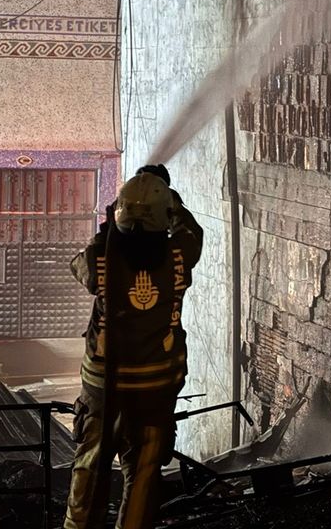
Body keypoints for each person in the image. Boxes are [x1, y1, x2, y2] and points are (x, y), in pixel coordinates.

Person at [63, 164, 203, 529]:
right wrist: (169, 199)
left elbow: (79, 265)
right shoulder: (180, 253)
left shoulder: (100, 259)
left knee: (89, 468)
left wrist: (111, 223)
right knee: (142, 476)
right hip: (156, 390)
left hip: (102, 389)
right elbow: (192, 231)